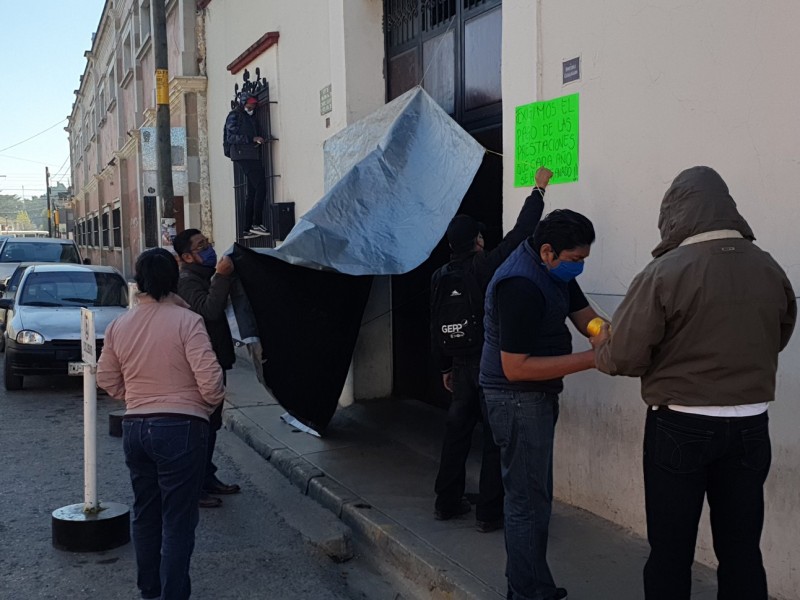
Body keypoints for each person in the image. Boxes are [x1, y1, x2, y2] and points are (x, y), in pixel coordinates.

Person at [592, 166, 796, 600]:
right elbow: (778, 336)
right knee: (742, 552)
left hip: (679, 426)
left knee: (671, 552)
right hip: (750, 426)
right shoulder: (769, 267)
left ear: (675, 212)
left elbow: (624, 357)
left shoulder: (664, 271)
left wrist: (601, 348)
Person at [480, 209, 601, 600]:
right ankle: (527, 592)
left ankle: (534, 585)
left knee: (535, 498)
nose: (579, 267)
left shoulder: (556, 272)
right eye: (574, 260)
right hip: (516, 399)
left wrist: (610, 335)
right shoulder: (520, 285)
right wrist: (591, 359)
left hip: (537, 396)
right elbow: (515, 368)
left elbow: (587, 319)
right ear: (547, 251)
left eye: (584, 259)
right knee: (527, 503)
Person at [97, 248, 225, 600]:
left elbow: (107, 378)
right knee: (178, 520)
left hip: (135, 427)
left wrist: (135, 397)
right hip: (182, 428)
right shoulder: (188, 322)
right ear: (174, 280)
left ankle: (149, 589)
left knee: (146, 512)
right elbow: (211, 382)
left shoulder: (120, 324)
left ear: (138, 280)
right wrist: (203, 404)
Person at [431, 167, 553, 533]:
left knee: (456, 433)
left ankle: (446, 502)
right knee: (494, 438)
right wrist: (539, 191)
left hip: (459, 364)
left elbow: (433, 325)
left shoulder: (439, 276)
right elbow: (520, 236)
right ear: (478, 241)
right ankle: (488, 513)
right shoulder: (484, 267)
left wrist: (444, 367)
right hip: (487, 364)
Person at [173, 228, 241, 508]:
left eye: (208, 243)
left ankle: (206, 476)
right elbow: (209, 310)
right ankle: (195, 485)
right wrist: (222, 277)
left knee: (211, 427)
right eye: (201, 246)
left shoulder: (202, 275)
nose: (209, 249)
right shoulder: (188, 281)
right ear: (187, 256)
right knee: (201, 428)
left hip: (214, 359)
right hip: (202, 364)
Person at [224, 94, 270, 239]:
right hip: (243, 155)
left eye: (254, 105)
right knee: (261, 186)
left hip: (250, 154)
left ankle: (247, 228)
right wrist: (252, 139)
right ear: (242, 103)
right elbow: (230, 137)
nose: (252, 108)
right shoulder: (235, 116)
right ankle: (257, 223)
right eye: (249, 105)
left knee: (252, 192)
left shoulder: (249, 117)